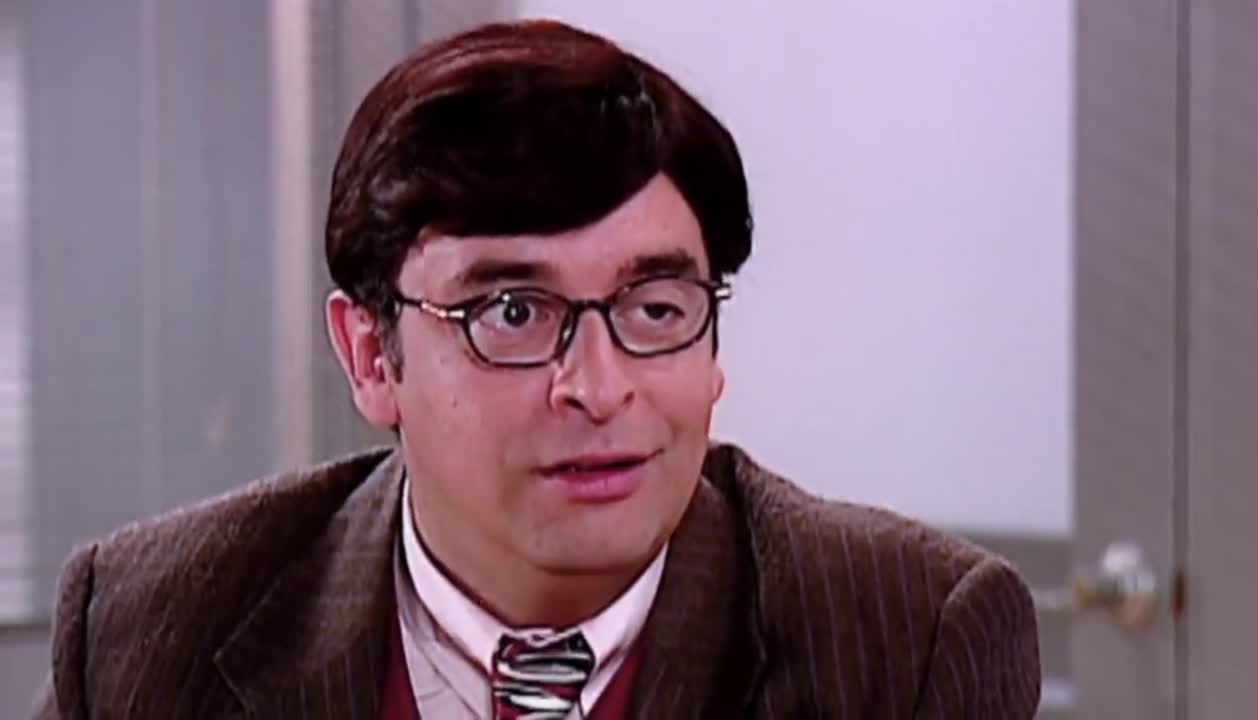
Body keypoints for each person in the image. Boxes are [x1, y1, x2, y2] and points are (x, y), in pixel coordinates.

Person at [34, 19, 1040, 720]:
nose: (598, 388)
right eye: (513, 313)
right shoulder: (148, 630)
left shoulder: (906, 639)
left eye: (655, 309)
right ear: (372, 355)